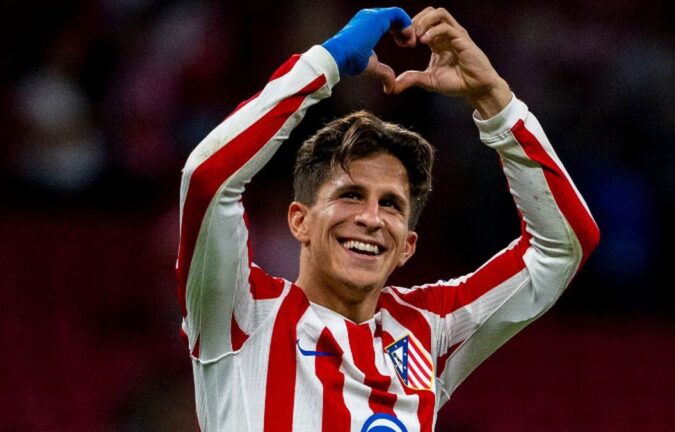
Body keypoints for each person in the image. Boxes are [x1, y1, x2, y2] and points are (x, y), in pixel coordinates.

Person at [177, 6, 599, 431]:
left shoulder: (429, 331)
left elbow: (563, 245)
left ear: (407, 246)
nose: (371, 218)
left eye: (391, 204)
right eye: (350, 195)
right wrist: (324, 63)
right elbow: (208, 177)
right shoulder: (240, 315)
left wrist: (494, 99)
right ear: (299, 221)